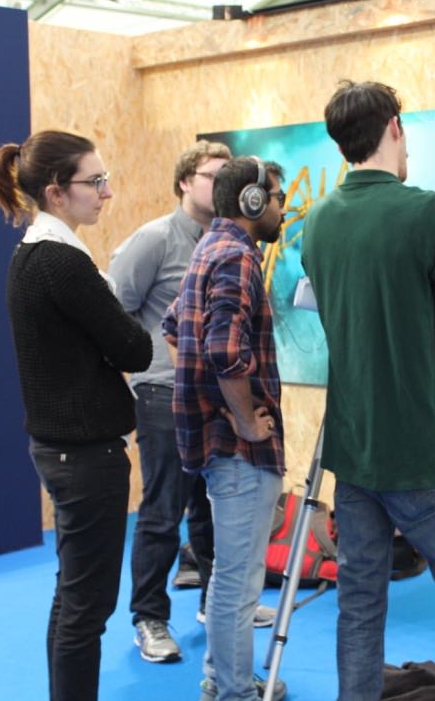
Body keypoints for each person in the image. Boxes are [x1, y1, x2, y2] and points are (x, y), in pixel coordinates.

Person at [301, 80, 435, 701]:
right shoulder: (428, 211)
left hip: (354, 443)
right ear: (395, 127)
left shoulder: (317, 222)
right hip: (418, 445)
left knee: (360, 600)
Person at [0, 130, 152, 701]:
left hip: (65, 450)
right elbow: (135, 349)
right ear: (57, 193)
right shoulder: (62, 263)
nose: (107, 192)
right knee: (87, 606)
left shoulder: (34, 254)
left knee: (74, 598)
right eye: (96, 181)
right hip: (84, 455)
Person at [162, 156, 288, 701]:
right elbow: (221, 349)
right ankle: (235, 691)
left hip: (216, 444)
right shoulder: (236, 257)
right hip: (238, 449)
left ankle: (223, 677)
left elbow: (174, 329)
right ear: (253, 203)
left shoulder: (208, 250)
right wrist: (242, 419)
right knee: (239, 583)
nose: (283, 208)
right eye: (277, 197)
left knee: (229, 578)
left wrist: (204, 400)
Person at [109, 140, 230, 663]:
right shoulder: (154, 240)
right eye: (212, 175)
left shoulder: (227, 241)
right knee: (162, 512)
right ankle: (150, 619)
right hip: (162, 392)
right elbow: (113, 312)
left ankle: (214, 602)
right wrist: (140, 375)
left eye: (229, 176)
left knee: (212, 509)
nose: (222, 185)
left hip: (215, 393)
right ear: (185, 181)